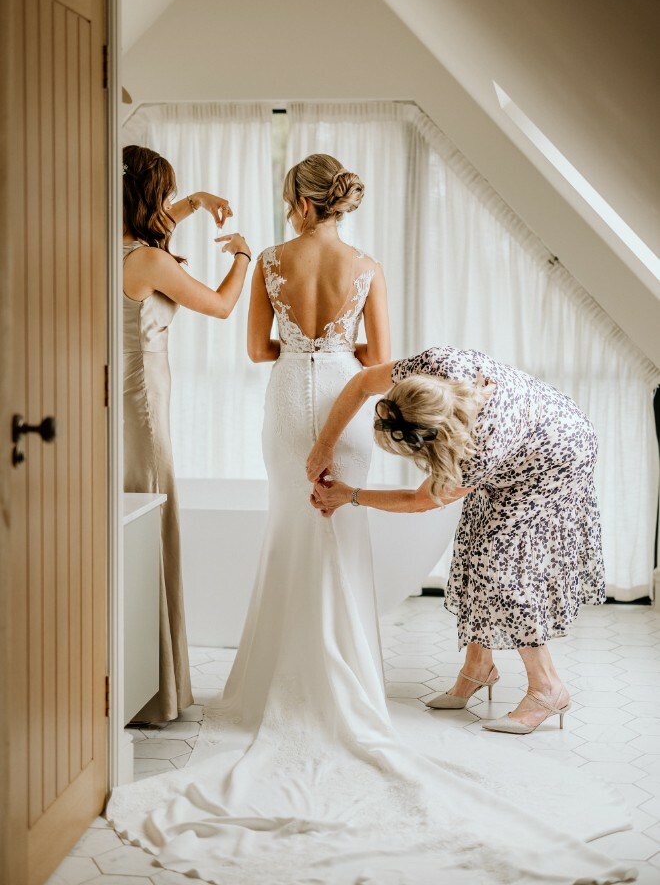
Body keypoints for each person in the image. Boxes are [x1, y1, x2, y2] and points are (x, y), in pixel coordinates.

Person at [108, 161, 633, 885]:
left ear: (299, 203)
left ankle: (298, 675)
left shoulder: (269, 260)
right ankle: (380, 671)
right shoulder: (368, 268)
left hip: (295, 402)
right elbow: (378, 361)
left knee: (293, 524)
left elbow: (259, 351)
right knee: (344, 531)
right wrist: (339, 361)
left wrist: (302, 358)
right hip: (348, 402)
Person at [308, 344, 606, 734]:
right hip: (522, 436)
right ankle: (478, 668)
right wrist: (324, 445)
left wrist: (348, 496)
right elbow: (364, 382)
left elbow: (420, 501)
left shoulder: (478, 447)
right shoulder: (431, 366)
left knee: (499, 567)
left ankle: (548, 687)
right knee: (474, 549)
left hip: (557, 457)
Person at [122, 144, 251, 723]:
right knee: (151, 521)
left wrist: (196, 201)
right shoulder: (148, 262)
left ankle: (130, 676)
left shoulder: (105, 243)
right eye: (168, 194)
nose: (171, 204)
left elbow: (152, 228)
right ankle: (155, 690)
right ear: (150, 197)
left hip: (114, 401)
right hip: (143, 404)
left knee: (127, 520)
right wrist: (243, 255)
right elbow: (221, 306)